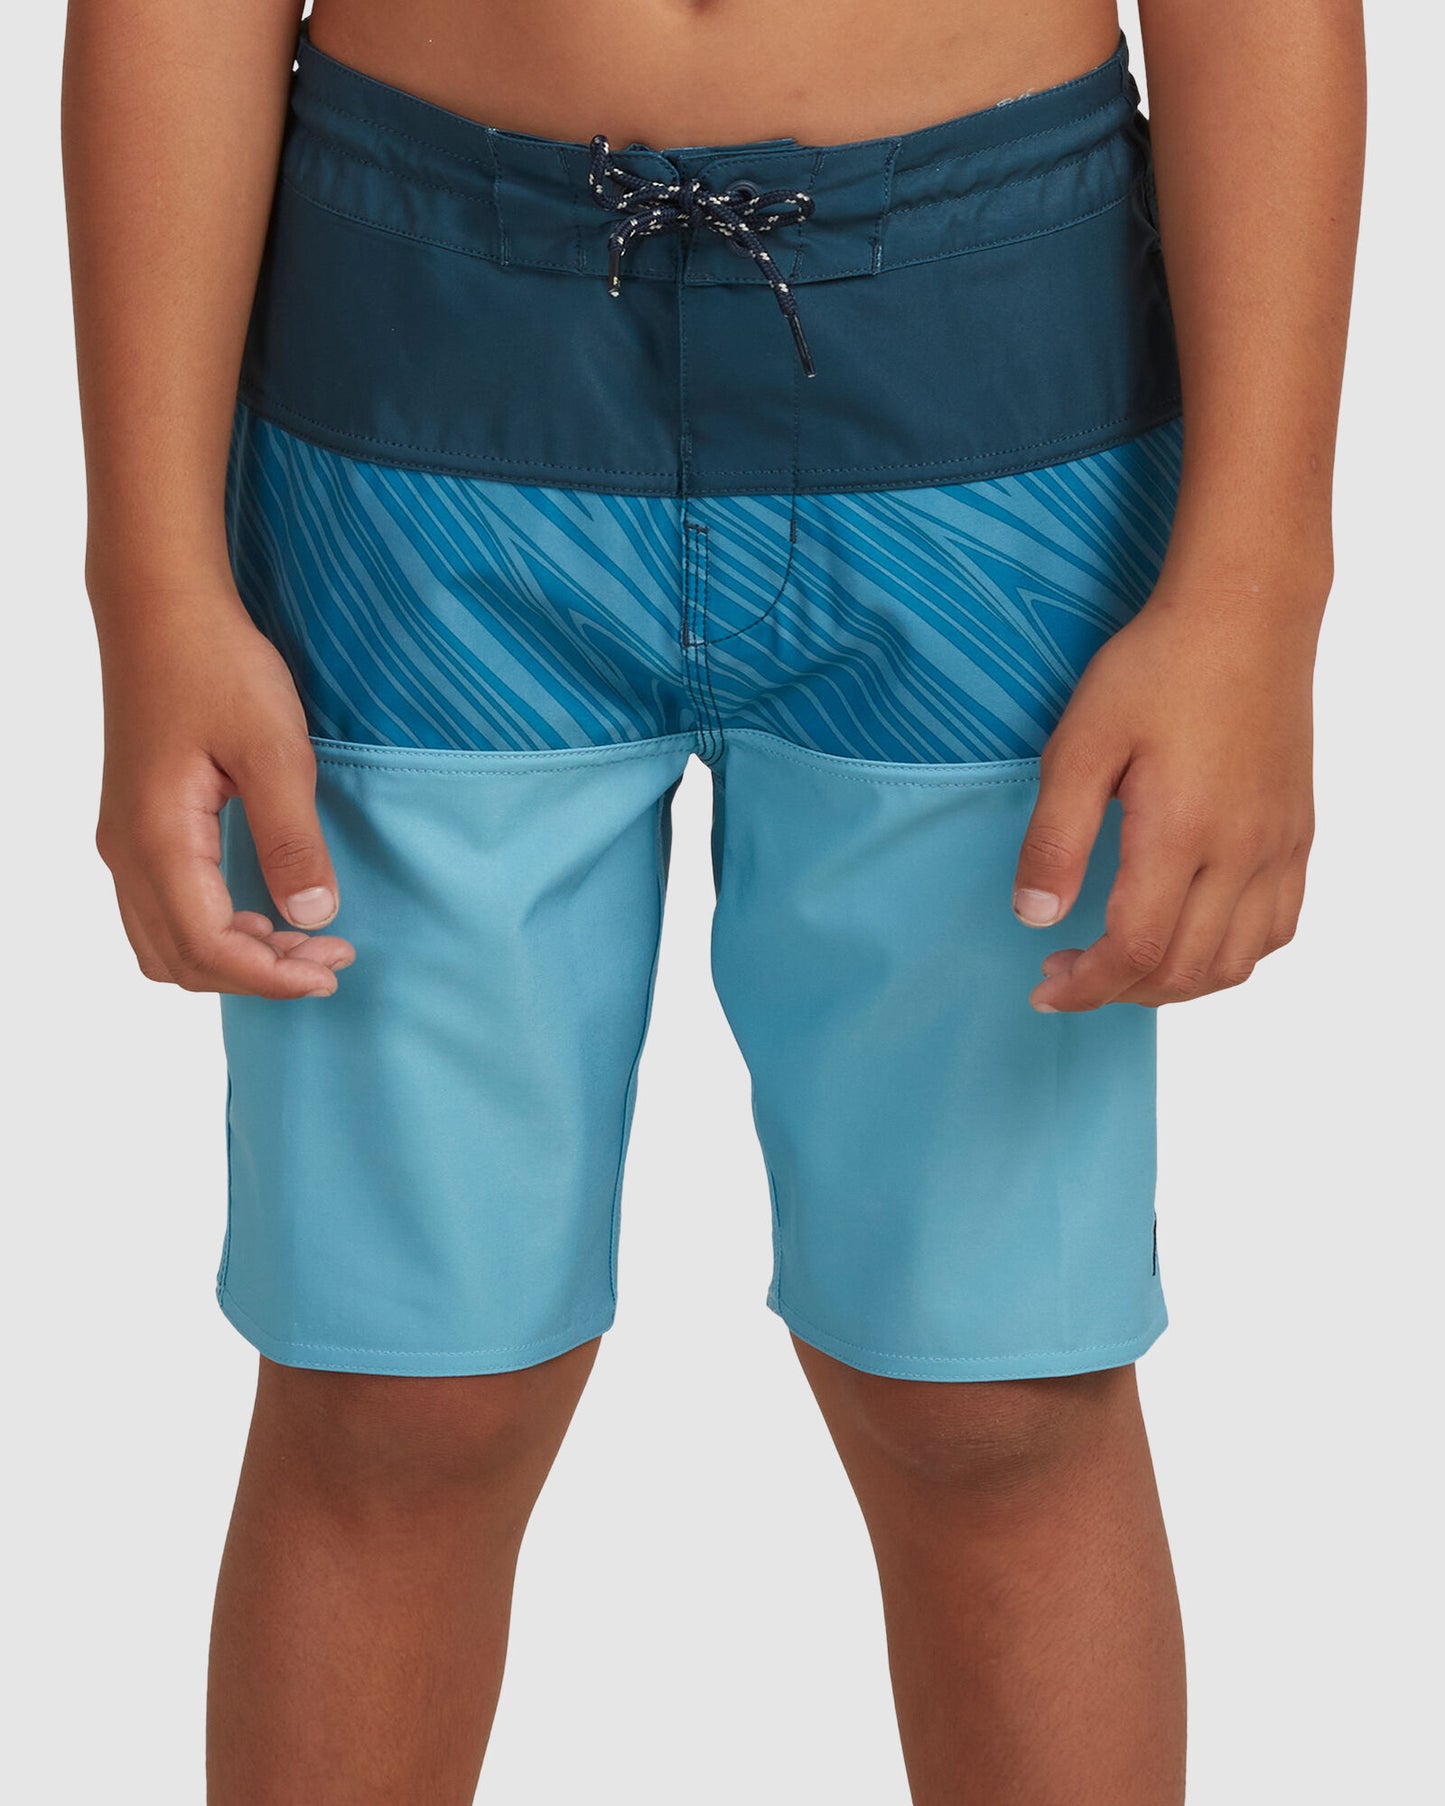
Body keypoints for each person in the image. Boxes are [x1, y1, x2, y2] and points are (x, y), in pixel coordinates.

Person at [60, 1, 1365, 1800]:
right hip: (420, 393)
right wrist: (147, 583)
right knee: (393, 1387)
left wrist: (1258, 585)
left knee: (997, 1390)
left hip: (987, 387)